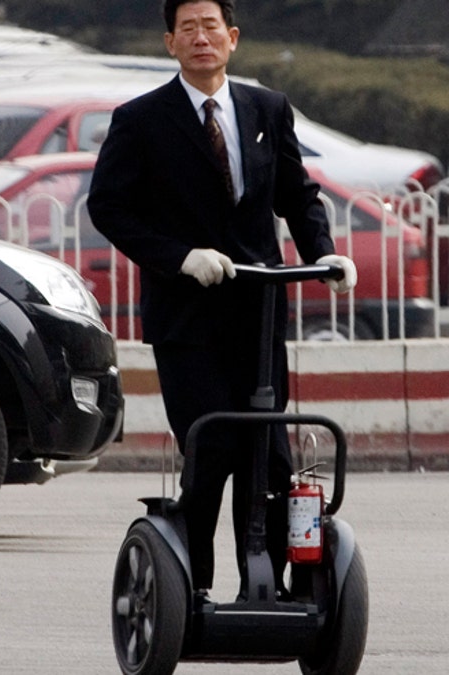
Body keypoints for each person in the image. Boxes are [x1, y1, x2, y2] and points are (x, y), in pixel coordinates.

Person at [87, 0, 357, 602]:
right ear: (170, 43)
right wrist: (179, 256)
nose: (201, 38)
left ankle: (275, 587)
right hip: (187, 320)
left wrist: (326, 251)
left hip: (258, 318)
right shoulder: (142, 119)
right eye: (189, 29)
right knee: (213, 449)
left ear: (232, 38)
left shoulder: (267, 109)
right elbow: (108, 208)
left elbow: (297, 193)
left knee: (275, 460)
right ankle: (194, 592)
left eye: (212, 27)